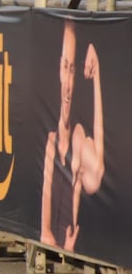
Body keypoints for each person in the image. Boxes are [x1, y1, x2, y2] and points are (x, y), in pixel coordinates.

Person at [41, 21, 104, 252]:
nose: (67, 84)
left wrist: (96, 77)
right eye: (64, 67)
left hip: (69, 249)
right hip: (57, 247)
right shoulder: (51, 140)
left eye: (72, 69)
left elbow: (96, 174)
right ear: (58, 69)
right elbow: (44, 231)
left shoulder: (79, 138)